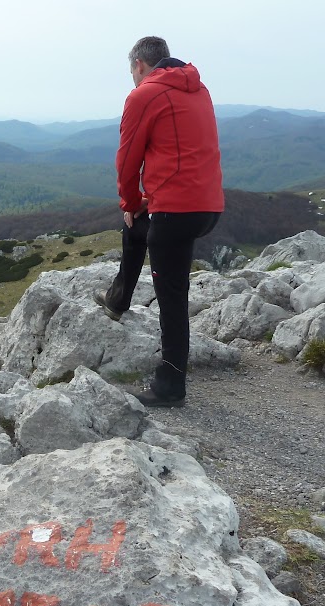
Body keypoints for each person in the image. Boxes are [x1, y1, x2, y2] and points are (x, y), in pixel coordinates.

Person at [94, 35, 224, 407]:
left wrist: (129, 200)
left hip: (176, 210)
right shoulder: (198, 89)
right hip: (208, 205)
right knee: (135, 228)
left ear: (138, 65)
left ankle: (170, 387)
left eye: (131, 71)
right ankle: (118, 299)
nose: (132, 78)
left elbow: (127, 160)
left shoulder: (143, 95)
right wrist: (138, 206)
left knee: (171, 296)